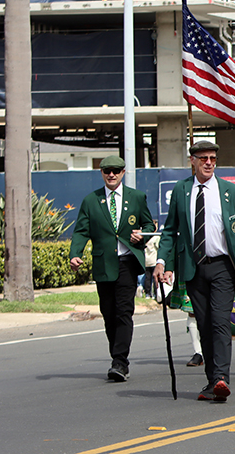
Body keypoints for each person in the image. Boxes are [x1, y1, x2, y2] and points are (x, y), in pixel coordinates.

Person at [153, 141, 235, 402]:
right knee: (203, 325)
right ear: (192, 160)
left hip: (222, 267)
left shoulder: (231, 192)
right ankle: (211, 381)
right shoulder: (182, 190)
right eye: (203, 158)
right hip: (193, 267)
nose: (208, 163)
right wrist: (162, 262)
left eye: (213, 159)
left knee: (220, 322)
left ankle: (221, 378)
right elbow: (170, 231)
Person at [69, 155, 155, 382]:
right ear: (102, 173)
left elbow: (148, 224)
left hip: (127, 262)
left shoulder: (136, 197)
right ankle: (116, 356)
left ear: (123, 172)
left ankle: (120, 362)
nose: (111, 174)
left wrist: (142, 235)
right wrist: (75, 254)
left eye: (116, 170)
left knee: (124, 311)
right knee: (109, 313)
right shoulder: (91, 200)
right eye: (107, 170)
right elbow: (81, 231)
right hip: (104, 263)